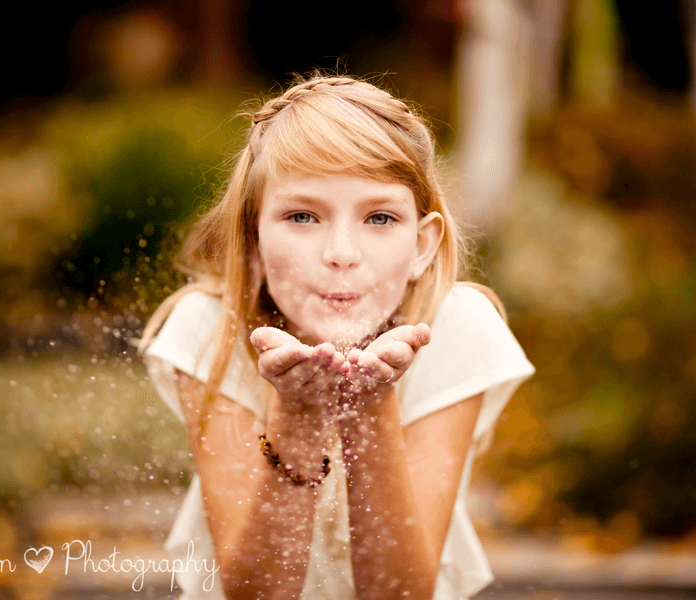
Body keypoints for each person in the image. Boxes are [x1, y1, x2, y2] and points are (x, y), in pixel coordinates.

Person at [137, 74, 535, 600]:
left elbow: (399, 594)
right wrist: (297, 417)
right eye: (303, 215)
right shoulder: (212, 331)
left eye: (379, 217)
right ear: (254, 241)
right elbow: (256, 593)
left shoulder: (454, 330)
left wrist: (370, 409)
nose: (342, 252)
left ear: (422, 245)